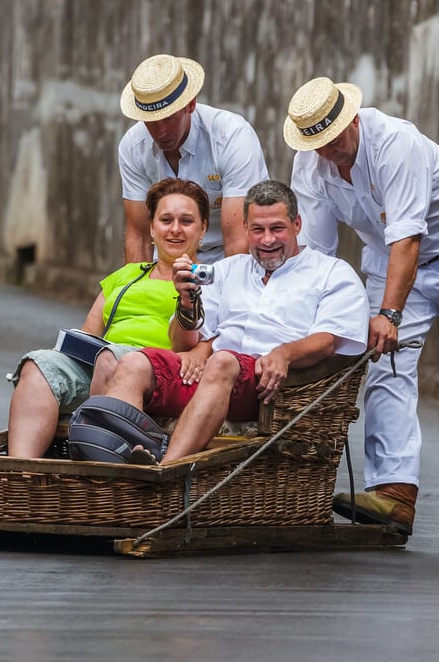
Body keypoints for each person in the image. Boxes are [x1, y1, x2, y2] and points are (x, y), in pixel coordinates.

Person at [282, 76, 439, 536]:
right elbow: (316, 253)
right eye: (317, 144)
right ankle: (394, 493)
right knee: (385, 362)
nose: (328, 152)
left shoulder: (396, 143)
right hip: (385, 262)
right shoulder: (310, 168)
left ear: (351, 119)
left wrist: (389, 314)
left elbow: (408, 238)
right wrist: (308, 325)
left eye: (333, 139)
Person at [101, 180, 368, 464]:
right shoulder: (226, 271)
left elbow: (330, 338)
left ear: (297, 224)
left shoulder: (331, 273)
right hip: (211, 376)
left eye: (276, 228)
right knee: (133, 362)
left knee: (223, 360)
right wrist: (187, 302)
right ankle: (116, 462)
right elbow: (182, 343)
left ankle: (164, 469)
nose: (267, 240)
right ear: (245, 228)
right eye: (258, 230)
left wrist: (285, 354)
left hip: (268, 387)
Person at [7, 179, 211, 458]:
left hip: (155, 370)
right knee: (39, 365)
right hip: (105, 360)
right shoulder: (126, 276)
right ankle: (22, 472)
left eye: (186, 221)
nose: (175, 229)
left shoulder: (209, 280)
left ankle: (98, 465)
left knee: (109, 358)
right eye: (166, 220)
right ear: (152, 228)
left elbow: (194, 343)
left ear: (203, 229)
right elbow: (89, 334)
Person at [118, 53, 269, 264]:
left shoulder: (232, 136)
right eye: (151, 121)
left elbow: (238, 239)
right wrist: (134, 293)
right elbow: (139, 235)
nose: (160, 132)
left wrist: (221, 293)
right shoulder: (132, 145)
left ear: (190, 105)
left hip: (231, 256)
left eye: (169, 118)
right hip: (166, 256)